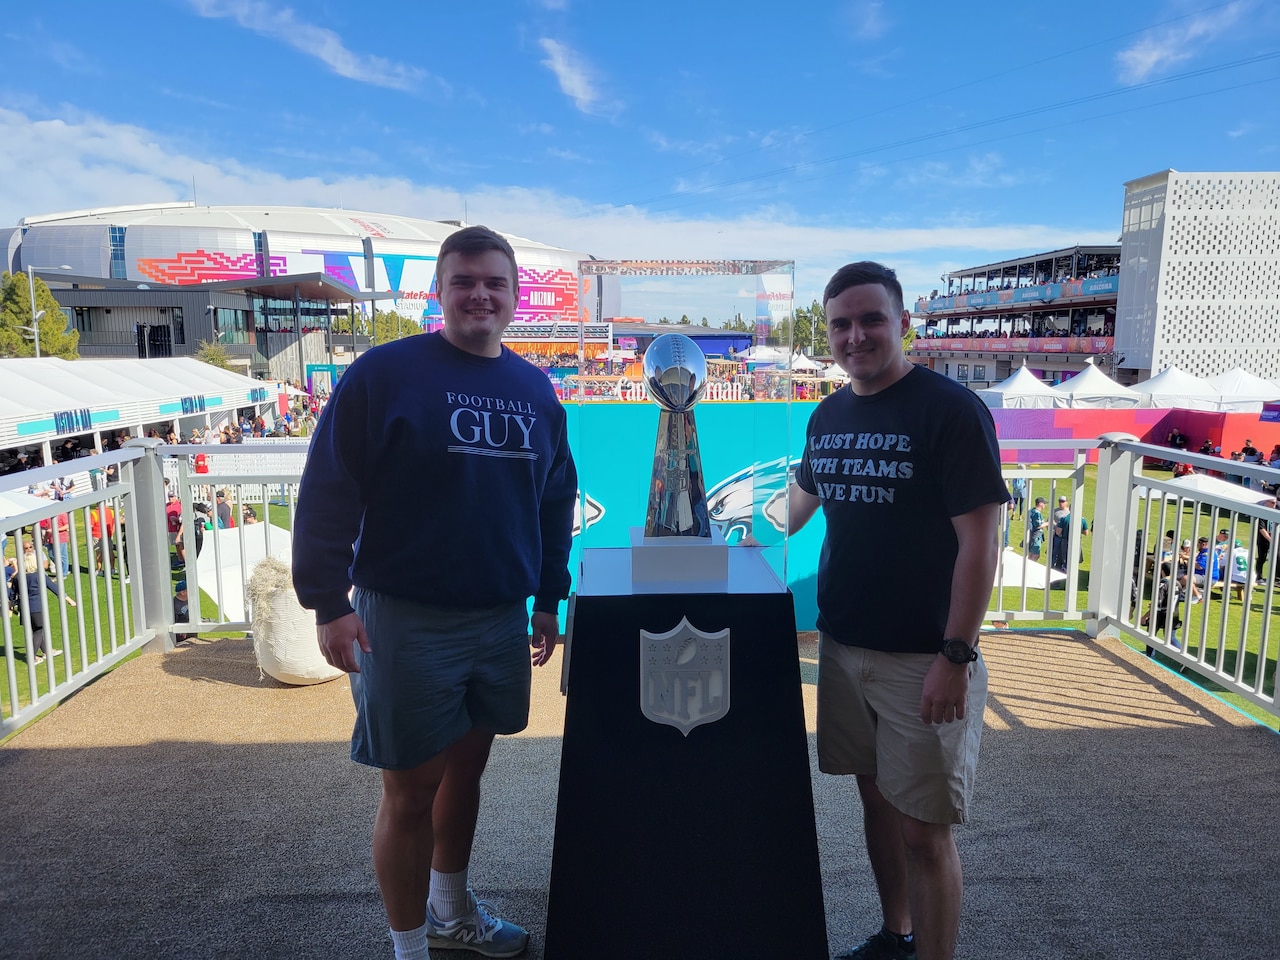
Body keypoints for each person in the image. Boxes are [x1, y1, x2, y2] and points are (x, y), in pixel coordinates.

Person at [292, 225, 577, 960]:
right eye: (464, 281)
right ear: (440, 291)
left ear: (515, 298)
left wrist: (548, 598)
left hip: (498, 617)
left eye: (495, 283)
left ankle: (452, 915)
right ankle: (409, 948)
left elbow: (553, 501)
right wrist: (328, 601)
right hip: (405, 617)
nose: (480, 294)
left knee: (466, 774)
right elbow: (329, 487)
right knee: (410, 793)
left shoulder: (535, 391)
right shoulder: (386, 373)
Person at [787, 261, 1008, 960]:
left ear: (902, 323)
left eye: (871, 319)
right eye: (841, 324)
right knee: (875, 801)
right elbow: (796, 506)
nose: (856, 336)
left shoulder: (949, 410)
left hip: (924, 657)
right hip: (844, 646)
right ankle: (896, 934)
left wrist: (955, 655)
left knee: (924, 830)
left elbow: (981, 543)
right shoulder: (828, 414)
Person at [5, 549, 78, 664]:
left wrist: (12, 605)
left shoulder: (18, 577)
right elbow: (54, 588)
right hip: (37, 607)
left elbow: (12, 594)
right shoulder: (39, 576)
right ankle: (32, 657)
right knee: (39, 630)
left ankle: (46, 651)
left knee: (35, 629)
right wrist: (69, 600)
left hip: (24, 608)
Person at [1027, 496, 1047, 561]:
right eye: (1044, 503)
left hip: (1031, 534)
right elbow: (1038, 525)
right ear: (1040, 503)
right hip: (1036, 535)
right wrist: (1048, 523)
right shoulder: (1037, 513)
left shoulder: (1032, 511)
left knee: (1030, 553)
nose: (1045, 505)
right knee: (1036, 555)